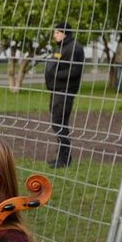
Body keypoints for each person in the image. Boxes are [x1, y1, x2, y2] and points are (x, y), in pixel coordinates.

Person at [44, 22, 85, 167]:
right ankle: (62, 157)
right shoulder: (62, 47)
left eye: (57, 32)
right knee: (57, 123)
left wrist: (54, 74)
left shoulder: (74, 48)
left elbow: (75, 71)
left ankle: (64, 159)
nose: (54, 35)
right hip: (57, 90)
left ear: (64, 33)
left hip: (65, 91)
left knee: (59, 123)